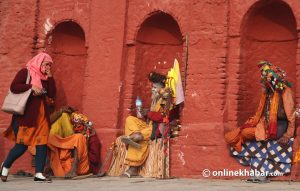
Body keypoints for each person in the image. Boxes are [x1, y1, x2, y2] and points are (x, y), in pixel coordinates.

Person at [225, 60, 295, 182]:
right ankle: (238, 140)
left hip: (279, 126)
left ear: (270, 83)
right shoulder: (268, 94)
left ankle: (261, 170)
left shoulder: (285, 92)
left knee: (246, 134)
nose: (262, 86)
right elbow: (261, 113)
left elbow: (291, 116)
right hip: (266, 123)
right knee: (242, 132)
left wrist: (288, 135)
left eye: (264, 83)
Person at [1, 52, 56, 182]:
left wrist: (50, 77)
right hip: (26, 117)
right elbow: (14, 87)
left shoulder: (45, 77)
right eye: (46, 64)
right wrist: (31, 87)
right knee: (22, 145)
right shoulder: (25, 72)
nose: (48, 67)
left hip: (42, 117)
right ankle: (5, 166)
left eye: (49, 65)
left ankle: (38, 173)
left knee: (42, 144)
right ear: (39, 62)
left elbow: (52, 94)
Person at [119, 72, 175, 177]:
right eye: (152, 87)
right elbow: (151, 116)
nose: (152, 89)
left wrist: (147, 113)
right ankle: (135, 134)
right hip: (149, 125)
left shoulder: (166, 99)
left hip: (157, 128)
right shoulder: (156, 100)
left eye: (155, 87)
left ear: (162, 88)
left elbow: (161, 117)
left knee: (142, 137)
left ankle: (133, 168)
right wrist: (143, 114)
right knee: (130, 119)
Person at [47, 109, 101, 178]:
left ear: (85, 127)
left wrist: (83, 147)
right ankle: (50, 167)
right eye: (74, 127)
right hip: (67, 165)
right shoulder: (74, 137)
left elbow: (95, 160)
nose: (76, 129)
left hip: (83, 167)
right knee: (51, 138)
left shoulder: (92, 138)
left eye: (79, 126)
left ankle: (73, 170)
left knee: (79, 137)